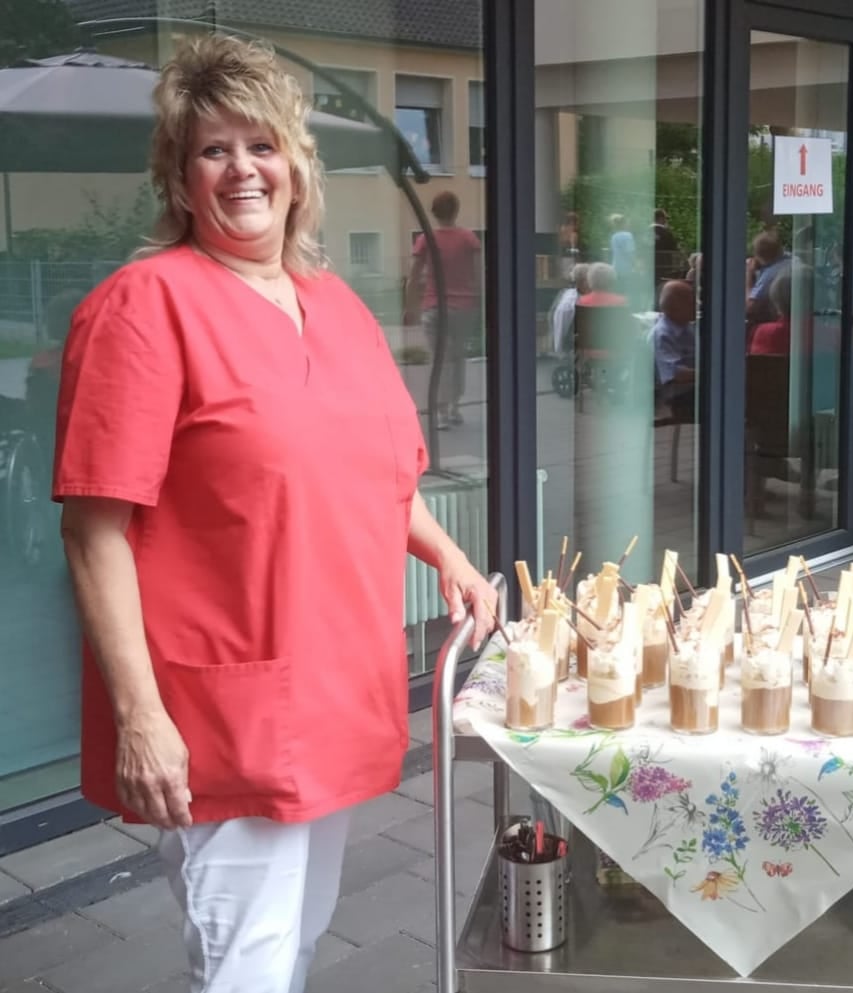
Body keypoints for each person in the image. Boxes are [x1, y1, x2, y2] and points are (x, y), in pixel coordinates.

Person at [51, 36, 497, 993]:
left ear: (297, 167)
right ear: (178, 177)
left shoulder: (334, 303)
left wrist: (451, 557)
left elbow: (383, 475)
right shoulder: (143, 306)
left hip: (336, 685)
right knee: (246, 963)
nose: (243, 169)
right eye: (213, 150)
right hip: (224, 711)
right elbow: (94, 532)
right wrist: (140, 716)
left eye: (262, 145)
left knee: (296, 939)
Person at [404, 191, 482, 428]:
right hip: (463, 307)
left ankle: (440, 412)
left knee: (440, 360)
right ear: (456, 210)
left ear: (434, 213)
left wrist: (410, 307)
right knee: (458, 358)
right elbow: (478, 276)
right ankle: (455, 407)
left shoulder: (426, 240)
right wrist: (480, 304)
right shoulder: (469, 239)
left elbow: (414, 276)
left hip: (435, 308)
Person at [650, 280, 697, 421]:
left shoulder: (687, 327)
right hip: (678, 395)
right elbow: (675, 373)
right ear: (676, 307)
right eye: (691, 301)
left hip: (693, 387)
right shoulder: (662, 334)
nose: (697, 305)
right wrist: (712, 374)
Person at [745, 232, 791, 324]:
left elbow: (750, 308)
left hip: (775, 322)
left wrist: (749, 275)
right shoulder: (791, 259)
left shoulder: (771, 273)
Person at [549, 262, 590, 355]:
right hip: (575, 348)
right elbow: (561, 327)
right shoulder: (569, 302)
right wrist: (560, 351)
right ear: (583, 281)